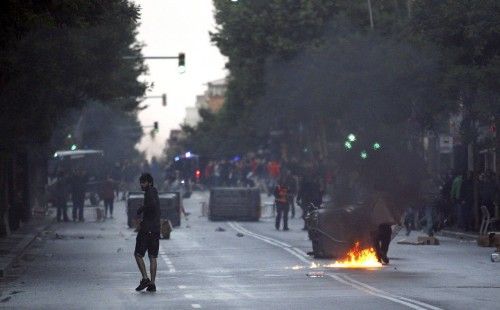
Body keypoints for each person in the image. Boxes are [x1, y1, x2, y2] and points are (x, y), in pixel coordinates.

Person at [134, 173, 161, 292]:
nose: (141, 184)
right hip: (155, 229)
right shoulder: (154, 192)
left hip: (147, 229)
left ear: (149, 182)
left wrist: (141, 209)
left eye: (143, 182)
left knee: (138, 254)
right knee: (152, 256)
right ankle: (152, 283)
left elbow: (151, 205)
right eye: (141, 182)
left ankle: (145, 278)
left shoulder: (150, 192)